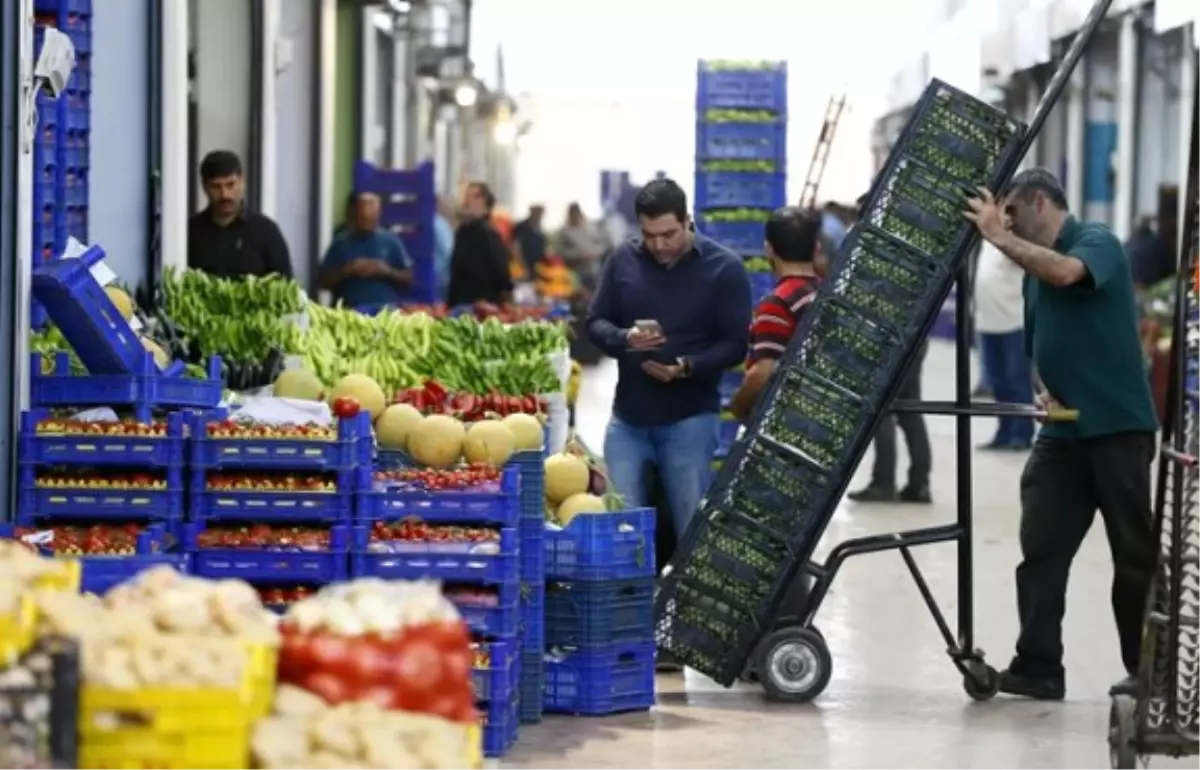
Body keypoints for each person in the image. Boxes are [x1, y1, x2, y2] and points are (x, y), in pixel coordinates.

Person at [963, 168, 1158, 701]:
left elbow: (1068, 274)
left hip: (1117, 427)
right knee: (1042, 547)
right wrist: (1046, 389)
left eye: (1015, 214)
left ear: (1042, 203)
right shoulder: (1030, 273)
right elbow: (1043, 342)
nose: (1009, 224)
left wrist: (997, 238)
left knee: (1133, 553)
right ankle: (1038, 665)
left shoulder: (1097, 242)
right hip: (1064, 431)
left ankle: (1147, 672)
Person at [586, 177, 751, 572]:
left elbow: (735, 345)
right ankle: (627, 603)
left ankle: (689, 607)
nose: (659, 245)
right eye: (649, 235)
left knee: (690, 524)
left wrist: (688, 367)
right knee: (620, 522)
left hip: (690, 419)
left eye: (668, 234)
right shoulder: (623, 260)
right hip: (628, 418)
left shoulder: (724, 269)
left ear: (687, 221)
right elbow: (595, 322)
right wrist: (625, 338)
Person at [845, 191, 932, 504]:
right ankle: (919, 484)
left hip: (886, 339)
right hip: (916, 338)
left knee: (880, 412)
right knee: (911, 410)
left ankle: (884, 482)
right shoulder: (914, 243)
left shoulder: (874, 248)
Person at [729, 207, 826, 419]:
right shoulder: (825, 294)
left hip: (788, 418)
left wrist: (738, 406)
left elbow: (763, 372)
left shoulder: (776, 304)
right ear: (816, 247)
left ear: (769, 249)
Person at [187, 150, 292, 279]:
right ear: (204, 186)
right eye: (216, 187)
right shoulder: (191, 232)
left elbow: (285, 286)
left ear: (242, 182)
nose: (225, 194)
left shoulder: (266, 232)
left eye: (231, 185)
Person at [976, 240, 1034, 450]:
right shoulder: (986, 241)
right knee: (998, 383)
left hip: (1013, 323)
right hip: (988, 323)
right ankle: (1004, 432)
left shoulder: (1013, 238)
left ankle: (1022, 434)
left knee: (1017, 380)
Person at [319, 192, 412, 308]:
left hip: (384, 312)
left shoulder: (391, 241)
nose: (366, 221)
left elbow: (408, 279)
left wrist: (385, 270)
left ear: (378, 215)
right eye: (362, 218)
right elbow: (322, 283)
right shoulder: (340, 243)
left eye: (371, 218)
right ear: (354, 215)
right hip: (349, 313)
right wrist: (348, 270)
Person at [447, 182, 514, 307]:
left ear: (486, 202)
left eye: (475, 196)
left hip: (484, 306)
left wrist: (506, 293)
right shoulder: (463, 231)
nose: (468, 201)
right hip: (461, 304)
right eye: (467, 196)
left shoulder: (488, 232)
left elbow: (500, 270)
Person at [558, 203, 609, 288]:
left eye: (577, 213)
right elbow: (561, 253)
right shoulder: (565, 232)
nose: (575, 217)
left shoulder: (590, 229)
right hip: (575, 272)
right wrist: (579, 255)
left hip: (593, 270)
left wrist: (595, 253)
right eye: (573, 214)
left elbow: (600, 245)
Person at [1125, 215, 1175, 290]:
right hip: (1155, 288)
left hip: (1135, 289)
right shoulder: (1156, 242)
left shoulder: (1127, 245)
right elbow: (1170, 266)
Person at [512, 204, 547, 278]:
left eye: (541, 214)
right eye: (537, 213)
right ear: (531, 213)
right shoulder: (521, 227)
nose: (539, 216)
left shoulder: (539, 230)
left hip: (536, 268)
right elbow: (516, 248)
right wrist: (524, 267)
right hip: (523, 266)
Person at [433, 197, 456, 302]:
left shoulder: (431, 223)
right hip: (441, 278)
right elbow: (449, 251)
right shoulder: (439, 224)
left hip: (435, 278)